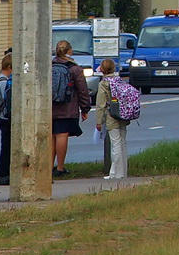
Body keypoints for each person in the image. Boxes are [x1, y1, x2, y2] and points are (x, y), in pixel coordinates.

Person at [52, 39, 91, 178]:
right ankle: (60, 168)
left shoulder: (49, 65)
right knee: (62, 135)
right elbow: (82, 90)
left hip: (50, 107)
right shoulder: (74, 68)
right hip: (66, 107)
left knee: (52, 137)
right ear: (70, 51)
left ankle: (48, 166)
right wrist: (85, 109)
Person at [95, 58, 130, 180]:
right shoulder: (119, 80)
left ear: (102, 70)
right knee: (123, 143)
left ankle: (117, 174)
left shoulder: (104, 84)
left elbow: (100, 105)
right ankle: (122, 172)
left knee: (115, 144)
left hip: (111, 116)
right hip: (123, 115)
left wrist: (99, 121)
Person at [0, 52, 13, 186]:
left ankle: (1, 174)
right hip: (6, 118)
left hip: (3, 117)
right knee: (7, 148)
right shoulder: (3, 83)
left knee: (6, 147)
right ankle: (2, 174)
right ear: (9, 67)